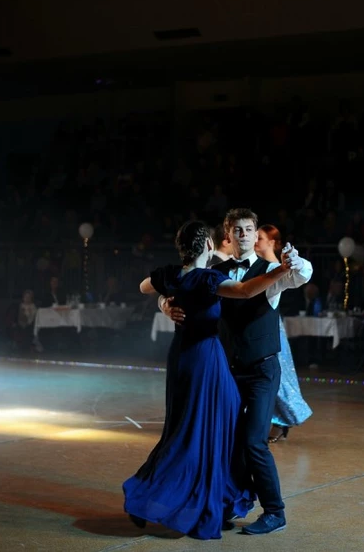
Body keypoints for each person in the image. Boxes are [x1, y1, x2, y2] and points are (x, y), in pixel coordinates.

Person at [124, 220, 293, 540]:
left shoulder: (172, 274)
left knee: (189, 430)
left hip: (181, 359)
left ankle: (208, 498)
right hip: (207, 361)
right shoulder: (207, 278)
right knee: (214, 431)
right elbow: (245, 291)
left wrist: (167, 300)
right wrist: (280, 270)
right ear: (208, 246)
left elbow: (144, 286)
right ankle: (235, 502)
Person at [160, 208, 312, 535]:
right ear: (227, 236)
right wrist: (166, 306)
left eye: (248, 229)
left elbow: (301, 275)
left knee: (254, 441)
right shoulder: (214, 272)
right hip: (227, 371)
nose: (243, 234)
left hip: (262, 370)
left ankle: (275, 512)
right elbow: (175, 286)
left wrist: (295, 262)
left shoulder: (271, 270)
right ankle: (230, 504)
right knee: (227, 440)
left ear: (256, 234)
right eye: (237, 229)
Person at [253, 224, 313, 443]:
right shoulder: (256, 264)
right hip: (257, 327)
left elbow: (299, 278)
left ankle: (282, 421)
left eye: (260, 237)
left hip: (271, 327)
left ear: (273, 242)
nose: (255, 240)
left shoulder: (278, 267)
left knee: (277, 375)